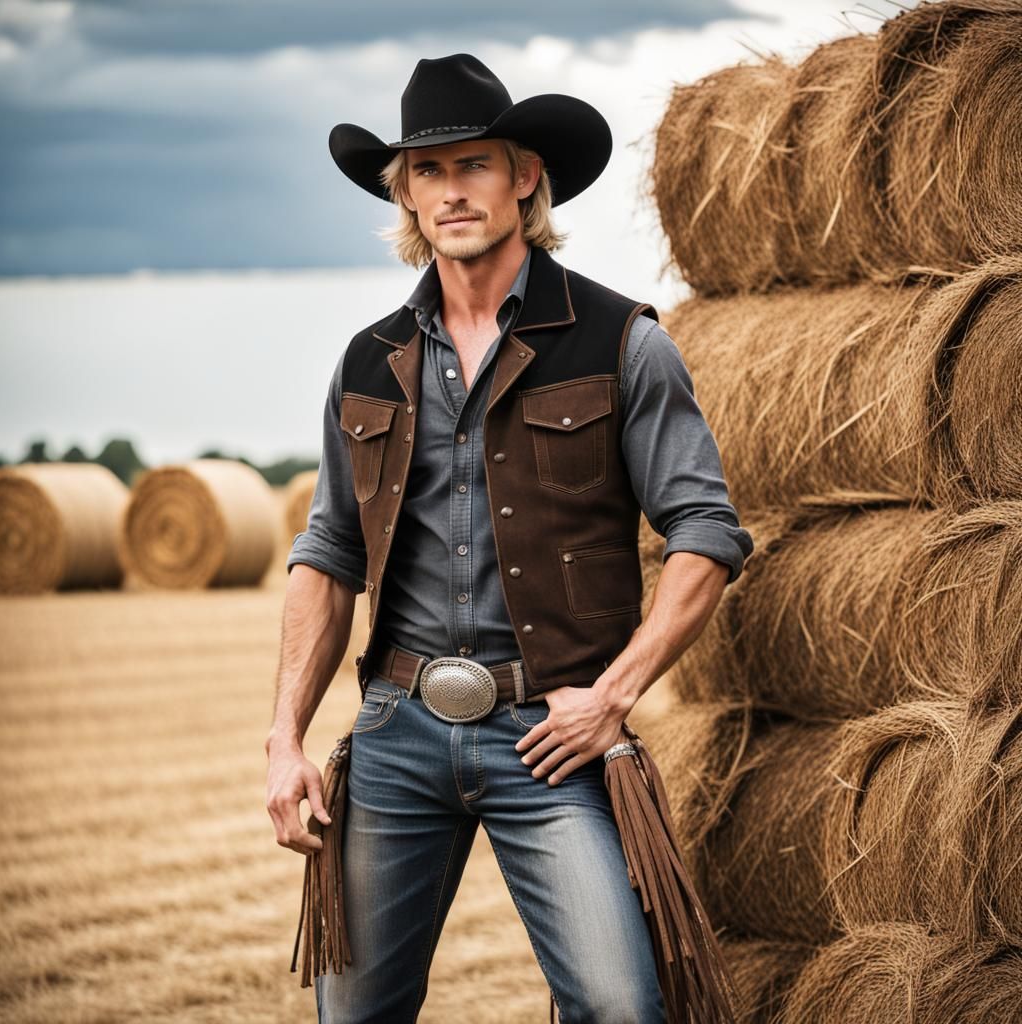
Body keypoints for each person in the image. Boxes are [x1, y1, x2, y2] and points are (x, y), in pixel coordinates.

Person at [265, 52, 753, 1023]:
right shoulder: (368, 361)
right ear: (404, 193)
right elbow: (327, 554)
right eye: (428, 172)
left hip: (550, 736)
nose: (451, 192)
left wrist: (609, 699)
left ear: (524, 177)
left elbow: (706, 534)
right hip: (396, 734)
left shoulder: (622, 343)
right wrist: (283, 740)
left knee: (620, 1005)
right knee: (351, 1016)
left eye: (474, 165)